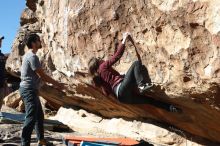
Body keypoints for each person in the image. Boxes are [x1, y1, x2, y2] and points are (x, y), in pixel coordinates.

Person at [88, 33, 181, 113]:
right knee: (136, 64)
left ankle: (171, 108)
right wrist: (124, 40)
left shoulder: (99, 77)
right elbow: (117, 56)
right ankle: (141, 85)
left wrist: (120, 77)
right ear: (97, 63)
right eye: (99, 59)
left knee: (149, 100)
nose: (101, 59)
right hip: (122, 89)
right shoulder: (102, 66)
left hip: (123, 98)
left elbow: (107, 93)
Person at [19, 33, 67, 146]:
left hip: (31, 90)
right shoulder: (32, 56)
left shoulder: (30, 55)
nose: (40, 42)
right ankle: (24, 143)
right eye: (38, 40)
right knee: (31, 118)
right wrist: (58, 84)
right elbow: (43, 76)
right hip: (28, 90)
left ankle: (41, 140)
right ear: (33, 43)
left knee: (39, 116)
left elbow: (39, 77)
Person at [0, 35, 6, 111]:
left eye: (0, 41)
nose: (0, 42)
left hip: (1, 85)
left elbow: (3, 70)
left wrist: (5, 83)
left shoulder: (2, 56)